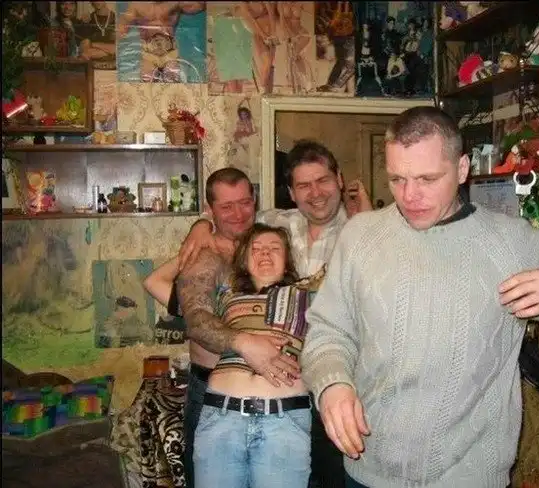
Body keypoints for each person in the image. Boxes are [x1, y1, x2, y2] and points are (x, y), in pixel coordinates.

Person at [300, 106, 539, 488]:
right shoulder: (360, 236)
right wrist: (332, 384)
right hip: (369, 470)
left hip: (470, 476)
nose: (410, 195)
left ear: (462, 169)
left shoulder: (511, 242)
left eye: (427, 178)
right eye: (397, 179)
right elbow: (328, 331)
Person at [177, 140, 373, 488]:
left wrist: (369, 225)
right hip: (227, 395)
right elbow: (230, 220)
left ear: (340, 180)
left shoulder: (364, 231)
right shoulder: (272, 221)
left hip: (323, 386)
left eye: (323, 181)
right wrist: (202, 225)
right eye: (303, 185)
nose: (315, 193)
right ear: (292, 192)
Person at [143, 167, 257, 488]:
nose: (238, 214)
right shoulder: (202, 254)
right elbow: (154, 282)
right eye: (226, 207)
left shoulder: (266, 245)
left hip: (260, 384)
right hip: (210, 385)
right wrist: (201, 229)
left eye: (245, 202)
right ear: (211, 209)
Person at [190, 223, 324, 488]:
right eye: (256, 249)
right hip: (220, 417)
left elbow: (356, 259)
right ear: (244, 260)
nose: (265, 253)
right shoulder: (225, 295)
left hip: (285, 422)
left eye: (275, 248)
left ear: (287, 261)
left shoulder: (310, 293)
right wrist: (201, 227)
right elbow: (158, 284)